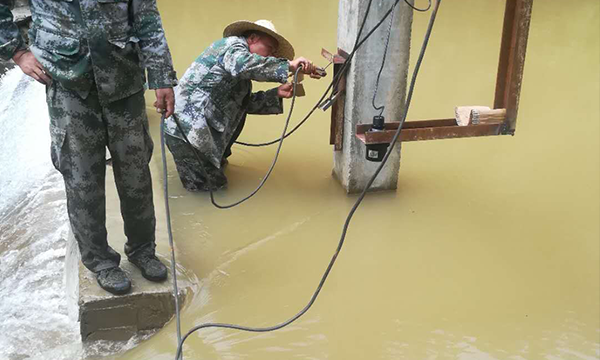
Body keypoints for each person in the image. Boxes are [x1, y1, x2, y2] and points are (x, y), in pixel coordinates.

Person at [0, 0, 177, 295]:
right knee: (82, 178)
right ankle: (101, 262)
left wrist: (161, 78)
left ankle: (143, 251)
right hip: (68, 84)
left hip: (124, 79)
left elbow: (147, 17)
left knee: (136, 171)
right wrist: (17, 52)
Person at [164, 19, 321, 192]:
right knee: (212, 190)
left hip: (200, 136)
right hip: (188, 132)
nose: (270, 56)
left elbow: (242, 104)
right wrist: (288, 66)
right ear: (252, 38)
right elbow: (243, 65)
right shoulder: (232, 47)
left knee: (214, 178)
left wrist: (275, 94)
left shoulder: (240, 74)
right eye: (269, 48)